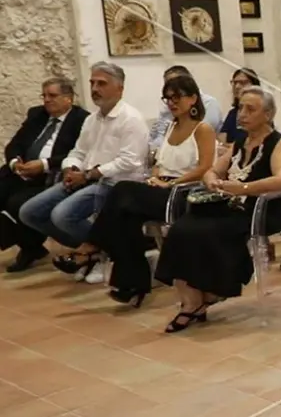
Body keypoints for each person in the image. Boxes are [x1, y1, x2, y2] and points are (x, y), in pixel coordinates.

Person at [52, 74, 216, 305]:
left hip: (185, 193)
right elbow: (159, 163)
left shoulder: (203, 129)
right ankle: (131, 284)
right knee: (124, 218)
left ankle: (91, 247)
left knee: (121, 189)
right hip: (162, 188)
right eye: (167, 98)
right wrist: (155, 178)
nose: (171, 103)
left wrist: (171, 183)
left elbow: (205, 167)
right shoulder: (170, 127)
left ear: (193, 99)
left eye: (177, 97)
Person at [153, 86, 281, 333]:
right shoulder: (240, 141)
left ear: (268, 114)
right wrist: (211, 180)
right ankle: (193, 298)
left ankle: (207, 295)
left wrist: (243, 188)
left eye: (250, 109)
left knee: (207, 231)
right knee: (180, 230)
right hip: (228, 205)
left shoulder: (277, 143)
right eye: (240, 107)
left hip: (258, 210)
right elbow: (213, 170)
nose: (242, 114)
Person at [19, 62, 147, 267]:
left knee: (62, 215)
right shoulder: (92, 120)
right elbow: (77, 152)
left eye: (102, 83)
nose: (95, 89)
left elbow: (130, 161)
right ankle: (91, 248)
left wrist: (88, 175)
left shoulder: (130, 119)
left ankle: (101, 252)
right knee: (29, 212)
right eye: (92, 83)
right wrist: (71, 168)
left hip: (114, 184)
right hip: (85, 178)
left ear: (119, 88)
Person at [1, 77, 88, 272]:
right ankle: (32, 247)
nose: (47, 100)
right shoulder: (37, 115)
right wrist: (16, 163)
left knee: (16, 203)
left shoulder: (81, 120)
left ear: (68, 98)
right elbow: (15, 144)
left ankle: (30, 247)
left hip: (50, 176)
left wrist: (44, 165)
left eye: (53, 95)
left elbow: (77, 153)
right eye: (44, 95)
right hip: (20, 171)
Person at [148, 65, 222, 150]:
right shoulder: (169, 114)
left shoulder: (209, 107)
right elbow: (156, 136)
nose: (170, 102)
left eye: (176, 95)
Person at [218, 68, 259, 148]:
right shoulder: (232, 113)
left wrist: (231, 147)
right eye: (234, 83)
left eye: (242, 83)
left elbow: (255, 142)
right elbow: (221, 139)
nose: (237, 86)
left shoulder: (259, 112)